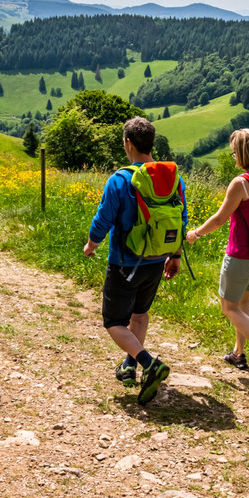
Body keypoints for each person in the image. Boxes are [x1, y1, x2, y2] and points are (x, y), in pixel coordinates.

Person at [83, 117, 185, 406]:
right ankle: (129, 366)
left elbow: (104, 218)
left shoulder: (120, 179)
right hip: (157, 259)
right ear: (151, 143)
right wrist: (175, 255)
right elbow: (181, 219)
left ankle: (148, 363)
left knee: (114, 321)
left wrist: (92, 244)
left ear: (128, 143)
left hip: (125, 262)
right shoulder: (173, 179)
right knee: (139, 314)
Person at [185, 128, 249, 381]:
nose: (234, 158)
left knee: (229, 307)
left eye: (234, 153)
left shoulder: (241, 183)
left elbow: (219, 219)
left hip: (241, 255)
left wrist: (195, 233)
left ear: (241, 153)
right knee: (242, 302)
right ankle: (238, 353)